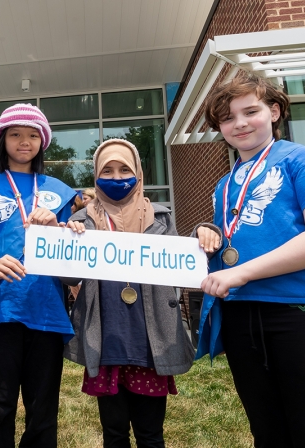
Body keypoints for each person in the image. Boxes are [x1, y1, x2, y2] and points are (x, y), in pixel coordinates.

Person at [195, 74, 305, 446]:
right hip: (241, 315)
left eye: (251, 111)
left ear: (275, 111)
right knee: (267, 433)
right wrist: (208, 234)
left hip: (302, 311)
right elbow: (238, 236)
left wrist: (242, 272)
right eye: (228, 118)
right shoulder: (225, 182)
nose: (241, 123)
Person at [62, 139, 195, 448]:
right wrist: (69, 241)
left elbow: (181, 268)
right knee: (114, 433)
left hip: (150, 342)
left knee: (151, 435)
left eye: (125, 169)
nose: (117, 177)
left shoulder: (161, 218)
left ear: (138, 172)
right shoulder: (82, 222)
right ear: (95, 175)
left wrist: (205, 235)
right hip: (107, 340)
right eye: (107, 170)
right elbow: (67, 277)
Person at [0, 103, 76, 447]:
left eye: (32, 135)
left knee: (43, 414)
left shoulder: (59, 190)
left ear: (43, 141)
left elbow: (70, 251)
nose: (24, 142)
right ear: (2, 140)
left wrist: (58, 226)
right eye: (15, 134)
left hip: (47, 311)